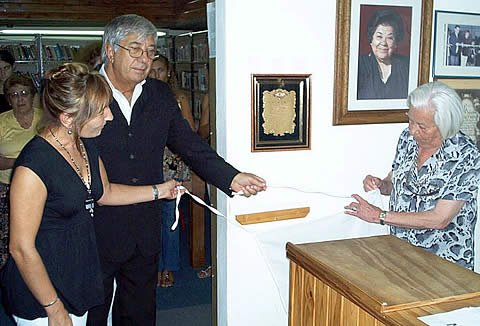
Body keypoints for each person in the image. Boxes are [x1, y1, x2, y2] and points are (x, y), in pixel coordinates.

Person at [86, 14, 266, 326]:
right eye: (136, 49)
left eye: (151, 51)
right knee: (91, 310)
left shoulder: (159, 95)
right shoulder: (84, 94)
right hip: (93, 226)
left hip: (144, 225)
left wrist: (231, 177)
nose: (145, 59)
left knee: (140, 311)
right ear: (111, 50)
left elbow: (188, 144)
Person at [1, 63, 181, 326]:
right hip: (43, 290)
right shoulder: (34, 165)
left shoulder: (85, 144)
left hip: (80, 277)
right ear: (68, 118)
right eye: (101, 111)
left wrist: (159, 190)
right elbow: (20, 248)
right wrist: (54, 309)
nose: (109, 116)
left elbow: (105, 192)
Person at [345, 81, 480, 270]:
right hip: (401, 255)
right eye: (410, 120)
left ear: (444, 124)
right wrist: (382, 185)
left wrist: (379, 216)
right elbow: (400, 181)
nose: (412, 130)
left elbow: (440, 219)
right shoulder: (407, 140)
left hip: (444, 265)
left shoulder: (465, 154)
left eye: (422, 126)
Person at [149, 55, 194, 288]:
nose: (155, 75)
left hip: (172, 163)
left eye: (159, 70)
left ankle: (169, 268)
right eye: (151, 71)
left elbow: (190, 132)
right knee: (151, 219)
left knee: (170, 218)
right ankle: (155, 265)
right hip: (148, 163)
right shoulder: (142, 98)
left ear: (168, 73)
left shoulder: (179, 98)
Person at [357, 9, 410, 100]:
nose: (383, 43)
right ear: (371, 39)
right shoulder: (359, 65)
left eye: (390, 38)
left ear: (396, 43)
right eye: (379, 36)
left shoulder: (407, 65)